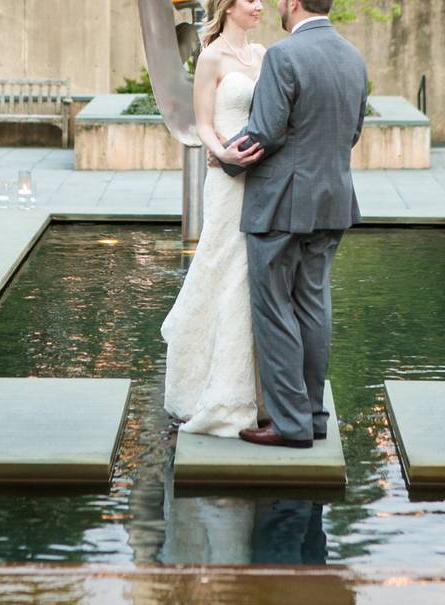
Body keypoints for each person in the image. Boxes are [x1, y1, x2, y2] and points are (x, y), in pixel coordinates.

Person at [219, 0, 367, 448]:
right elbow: (353, 130)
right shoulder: (353, 56)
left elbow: (265, 130)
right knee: (313, 305)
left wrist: (226, 158)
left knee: (275, 309)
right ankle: (314, 417)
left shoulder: (284, 55)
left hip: (281, 203)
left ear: (294, 4)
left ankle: (289, 424)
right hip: (333, 200)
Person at [161, 0, 269, 438]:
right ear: (229, 6)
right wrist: (221, 151)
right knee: (219, 267)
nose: (260, 5)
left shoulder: (263, 56)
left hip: (262, 179)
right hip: (226, 182)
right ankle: (209, 392)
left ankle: (256, 393)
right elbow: (202, 122)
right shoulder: (211, 57)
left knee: (248, 277)